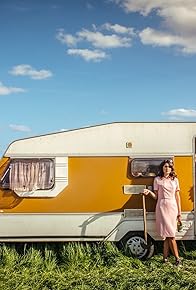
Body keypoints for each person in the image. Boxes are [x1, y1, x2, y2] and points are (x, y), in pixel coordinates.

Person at [143, 159, 182, 266]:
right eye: (165, 166)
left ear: (171, 168)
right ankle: (177, 259)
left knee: (170, 234)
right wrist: (149, 192)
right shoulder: (157, 180)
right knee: (169, 235)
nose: (167, 168)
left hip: (172, 206)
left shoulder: (175, 180)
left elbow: (177, 197)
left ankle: (165, 258)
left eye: (169, 166)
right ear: (162, 168)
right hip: (162, 206)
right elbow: (156, 197)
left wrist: (179, 212)